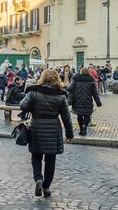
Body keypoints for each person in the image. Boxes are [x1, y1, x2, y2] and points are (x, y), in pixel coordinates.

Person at [19, 69, 74, 198]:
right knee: (50, 160)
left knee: (36, 157)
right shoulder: (61, 95)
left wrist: (32, 104)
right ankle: (46, 187)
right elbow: (66, 117)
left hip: (36, 126)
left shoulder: (34, 92)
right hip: (53, 128)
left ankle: (38, 179)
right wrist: (69, 134)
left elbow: (22, 106)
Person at [67, 67, 102, 136]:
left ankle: (81, 129)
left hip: (77, 101)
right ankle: (84, 126)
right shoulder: (91, 79)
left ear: (80, 72)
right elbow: (95, 93)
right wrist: (98, 102)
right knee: (87, 115)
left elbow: (69, 88)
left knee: (79, 115)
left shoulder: (76, 78)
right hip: (88, 101)